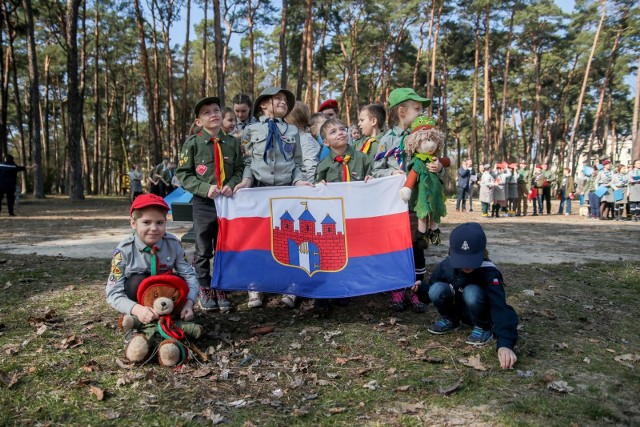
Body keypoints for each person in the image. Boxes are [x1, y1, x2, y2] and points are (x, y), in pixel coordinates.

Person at [234, 87, 312, 309]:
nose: (283, 103)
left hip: (286, 191)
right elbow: (248, 161)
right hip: (259, 190)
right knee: (258, 238)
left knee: (290, 237)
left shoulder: (293, 131)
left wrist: (298, 181)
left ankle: (291, 285)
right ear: (263, 104)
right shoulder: (251, 131)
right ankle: (255, 285)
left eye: (286, 101)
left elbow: (297, 163)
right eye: (277, 99)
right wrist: (246, 182)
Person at [413, 222, 519, 369]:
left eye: (471, 260)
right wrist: (420, 289)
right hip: (458, 310)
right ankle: (450, 320)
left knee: (471, 292)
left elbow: (500, 308)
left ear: (482, 252)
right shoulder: (447, 264)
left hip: (480, 311)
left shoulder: (490, 273)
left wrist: (505, 344)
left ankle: (482, 327)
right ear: (452, 252)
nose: (466, 265)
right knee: (436, 289)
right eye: (462, 260)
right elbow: (432, 289)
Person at [176, 96, 244, 312]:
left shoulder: (232, 143)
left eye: (216, 110)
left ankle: (221, 285)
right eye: (206, 112)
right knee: (204, 247)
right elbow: (183, 175)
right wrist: (205, 188)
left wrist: (232, 184)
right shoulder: (193, 144)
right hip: (204, 203)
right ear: (198, 122)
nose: (213, 114)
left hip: (228, 204)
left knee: (225, 246)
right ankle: (205, 286)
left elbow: (241, 169)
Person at [372, 88, 437, 312]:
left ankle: (416, 289)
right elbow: (375, 170)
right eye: (417, 109)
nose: (421, 112)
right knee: (395, 246)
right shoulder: (387, 140)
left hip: (416, 204)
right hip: (392, 205)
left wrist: (437, 168)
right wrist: (391, 175)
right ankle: (397, 288)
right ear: (402, 111)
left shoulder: (425, 136)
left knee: (416, 245)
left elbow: (434, 164)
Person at [106, 194, 198, 324]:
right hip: (138, 301)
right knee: (135, 281)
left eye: (159, 222)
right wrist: (136, 309)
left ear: (165, 222)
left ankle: (175, 319)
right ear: (133, 223)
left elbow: (189, 276)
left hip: (168, 301)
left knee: (179, 281)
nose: (154, 228)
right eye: (146, 222)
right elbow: (113, 292)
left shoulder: (173, 244)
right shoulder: (124, 250)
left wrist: (189, 303)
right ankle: (138, 320)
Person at [288, 101, 320, 182]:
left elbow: (311, 166)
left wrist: (309, 188)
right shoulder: (296, 136)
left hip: (304, 185)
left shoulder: (306, 139)